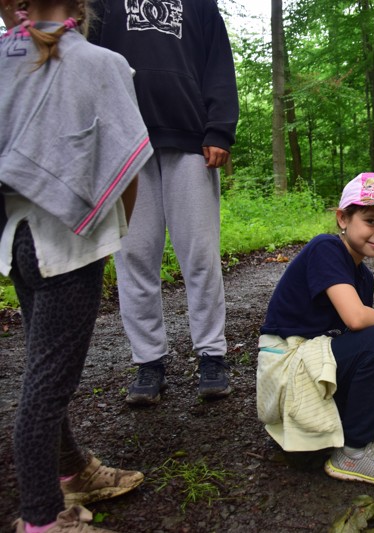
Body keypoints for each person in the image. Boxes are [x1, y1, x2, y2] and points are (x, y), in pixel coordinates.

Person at [0, 0, 153, 530]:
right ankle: (42, 518)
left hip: (16, 240)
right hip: (68, 247)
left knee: (46, 367)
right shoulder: (101, 63)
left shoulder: (3, 58)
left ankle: (74, 470)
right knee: (46, 387)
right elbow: (129, 162)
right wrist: (115, 232)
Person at [88, 0, 240, 405]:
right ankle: (148, 361)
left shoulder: (201, 6)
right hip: (124, 141)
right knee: (134, 255)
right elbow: (86, 62)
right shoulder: (100, 5)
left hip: (190, 139)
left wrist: (220, 130)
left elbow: (219, 69)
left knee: (200, 254)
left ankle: (212, 354)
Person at [257, 172, 374, 485]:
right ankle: (353, 452)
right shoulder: (325, 249)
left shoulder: (362, 276)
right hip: (291, 374)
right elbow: (356, 319)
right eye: (370, 220)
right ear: (343, 219)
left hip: (315, 370)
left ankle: (324, 436)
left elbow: (354, 339)